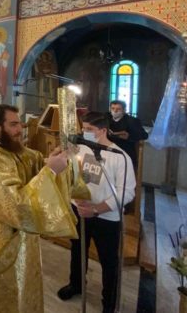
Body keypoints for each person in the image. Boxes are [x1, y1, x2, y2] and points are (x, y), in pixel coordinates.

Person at [0, 104, 75, 313]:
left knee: (25, 293)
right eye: (13, 124)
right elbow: (16, 205)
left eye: (19, 123)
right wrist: (50, 172)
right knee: (1, 298)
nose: (20, 129)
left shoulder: (16, 150)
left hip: (23, 241)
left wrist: (56, 160)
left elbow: (37, 163)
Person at [57, 112, 136, 313]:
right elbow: (73, 173)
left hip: (106, 217)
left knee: (108, 261)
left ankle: (108, 302)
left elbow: (126, 193)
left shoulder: (120, 157)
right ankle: (76, 284)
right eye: (83, 128)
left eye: (89, 129)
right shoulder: (82, 148)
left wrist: (95, 209)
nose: (84, 132)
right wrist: (75, 197)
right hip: (80, 210)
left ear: (102, 130)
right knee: (77, 250)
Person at [106, 100, 148, 171]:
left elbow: (144, 135)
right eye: (113, 108)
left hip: (125, 153)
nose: (115, 111)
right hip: (108, 152)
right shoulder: (106, 118)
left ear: (124, 110)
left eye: (118, 109)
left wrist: (129, 136)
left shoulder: (132, 121)